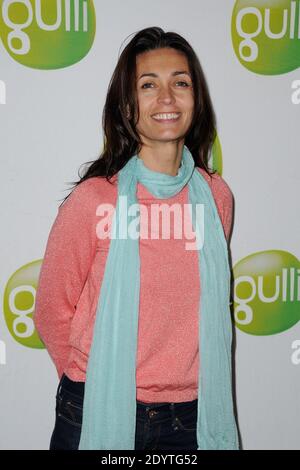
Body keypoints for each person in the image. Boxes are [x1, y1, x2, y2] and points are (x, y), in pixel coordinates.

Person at [34, 26, 239, 451]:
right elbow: (52, 310)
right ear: (128, 104)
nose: (167, 98)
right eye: (149, 85)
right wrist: (96, 385)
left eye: (180, 83)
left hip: (191, 419)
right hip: (96, 407)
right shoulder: (95, 199)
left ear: (196, 99)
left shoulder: (216, 197)